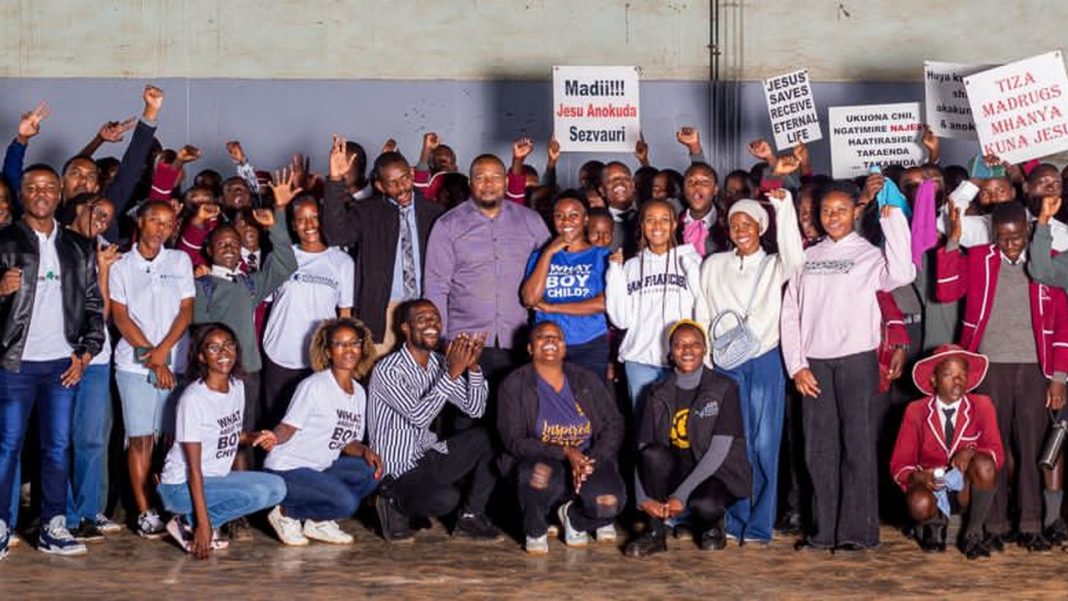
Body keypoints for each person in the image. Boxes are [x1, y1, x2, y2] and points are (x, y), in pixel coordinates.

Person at [781, 180, 915, 551]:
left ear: (856, 211)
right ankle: (823, 531)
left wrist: (892, 221)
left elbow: (903, 273)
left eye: (842, 210)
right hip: (815, 366)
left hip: (858, 360)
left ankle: (858, 532)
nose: (833, 217)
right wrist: (797, 366)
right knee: (818, 449)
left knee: (856, 446)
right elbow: (789, 313)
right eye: (827, 211)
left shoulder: (870, 256)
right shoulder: (805, 257)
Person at [939, 200, 1068, 551]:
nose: (1011, 244)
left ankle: (1030, 525)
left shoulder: (1049, 262)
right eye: (1003, 238)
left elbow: (1061, 325)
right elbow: (946, 290)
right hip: (988, 366)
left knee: (1031, 448)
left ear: (1028, 230)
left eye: (1017, 237)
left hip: (1033, 368)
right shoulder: (980, 258)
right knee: (992, 449)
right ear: (994, 233)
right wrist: (952, 241)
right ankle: (992, 526)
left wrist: (1058, 376)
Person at [0, 164, 105, 559]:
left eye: (48, 187)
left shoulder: (78, 247)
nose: (41, 193)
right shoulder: (4, 240)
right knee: (7, 446)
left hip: (63, 363)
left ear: (59, 195)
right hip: (15, 364)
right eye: (33, 187)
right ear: (22, 195)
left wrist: (85, 353)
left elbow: (95, 307)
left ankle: (53, 526)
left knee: (57, 447)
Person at [695, 189, 805, 544]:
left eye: (749, 223)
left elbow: (796, 255)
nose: (741, 229)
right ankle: (733, 518)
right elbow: (704, 311)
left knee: (764, 443)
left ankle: (759, 526)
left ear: (761, 227)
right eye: (735, 223)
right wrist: (708, 360)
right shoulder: (713, 265)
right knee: (730, 443)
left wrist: (784, 207)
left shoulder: (775, 264)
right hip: (725, 364)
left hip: (764, 360)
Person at [367, 299, 499, 542]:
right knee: (445, 499)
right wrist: (452, 373)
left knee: (488, 438)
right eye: (423, 318)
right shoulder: (388, 369)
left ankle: (470, 517)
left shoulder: (439, 363)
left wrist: (473, 368)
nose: (432, 324)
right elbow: (419, 417)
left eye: (436, 318)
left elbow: (475, 409)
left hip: (428, 454)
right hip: (398, 467)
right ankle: (392, 500)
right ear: (405, 328)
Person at [424, 153, 550, 397]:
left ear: (506, 182)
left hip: (520, 338)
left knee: (515, 417)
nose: (488, 184)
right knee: (465, 422)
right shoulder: (447, 225)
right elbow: (436, 286)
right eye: (481, 178)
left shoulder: (531, 222)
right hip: (465, 342)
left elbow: (551, 277)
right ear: (470, 183)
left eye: (495, 177)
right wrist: (441, 341)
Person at [157, 323, 285, 559]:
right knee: (255, 494)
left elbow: (226, 434)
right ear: (201, 356)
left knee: (277, 487)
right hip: (181, 487)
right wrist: (204, 525)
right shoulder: (193, 399)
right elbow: (193, 470)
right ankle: (190, 523)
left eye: (228, 345)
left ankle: (190, 521)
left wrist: (254, 436)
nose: (223, 353)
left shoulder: (237, 386)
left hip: (215, 478)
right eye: (213, 348)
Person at [497, 321, 625, 554]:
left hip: (588, 459)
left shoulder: (585, 378)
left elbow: (613, 424)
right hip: (543, 460)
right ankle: (536, 529)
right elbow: (513, 441)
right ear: (529, 348)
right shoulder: (515, 384)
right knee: (537, 475)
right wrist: (565, 452)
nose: (550, 342)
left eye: (557, 338)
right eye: (542, 337)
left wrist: (592, 460)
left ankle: (573, 517)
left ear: (565, 348)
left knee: (610, 504)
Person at [625, 321, 750, 557]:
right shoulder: (655, 392)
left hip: (715, 474)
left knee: (706, 504)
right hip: (676, 470)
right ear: (671, 352)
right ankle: (655, 533)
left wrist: (680, 496)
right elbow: (642, 450)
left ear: (705, 349)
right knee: (652, 454)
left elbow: (718, 450)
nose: (687, 350)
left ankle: (711, 525)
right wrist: (644, 500)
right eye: (680, 345)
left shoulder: (725, 388)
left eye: (694, 344)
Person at [109, 200, 195, 538]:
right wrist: (151, 356)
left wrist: (162, 354)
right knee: (141, 441)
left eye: (168, 223)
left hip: (174, 361)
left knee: (173, 440)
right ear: (140, 222)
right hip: (133, 366)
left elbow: (186, 311)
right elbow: (120, 315)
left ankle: (174, 507)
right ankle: (145, 512)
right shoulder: (122, 265)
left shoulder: (179, 260)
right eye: (154, 221)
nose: (161, 228)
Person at [193, 176, 299, 439]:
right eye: (222, 244)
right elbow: (199, 332)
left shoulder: (249, 284)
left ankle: (246, 479)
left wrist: (277, 221)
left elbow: (286, 265)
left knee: (246, 435)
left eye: (234, 244)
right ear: (209, 249)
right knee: (214, 435)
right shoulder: (202, 284)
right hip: (214, 372)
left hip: (248, 370)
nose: (229, 248)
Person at [322, 136, 444, 357]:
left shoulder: (435, 213)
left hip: (426, 307)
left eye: (405, 178)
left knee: (425, 375)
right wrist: (335, 179)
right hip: (382, 309)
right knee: (378, 374)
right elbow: (335, 235)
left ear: (412, 175)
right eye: (392, 182)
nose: (402, 187)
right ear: (379, 186)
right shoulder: (366, 212)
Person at [265, 318, 382, 546]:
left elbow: (349, 442)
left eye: (354, 343)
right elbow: (288, 426)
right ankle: (285, 513)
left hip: (318, 468)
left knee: (369, 472)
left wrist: (366, 450)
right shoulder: (314, 386)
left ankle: (318, 521)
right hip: (288, 468)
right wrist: (273, 437)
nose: (348, 350)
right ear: (328, 351)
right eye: (340, 344)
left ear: (362, 347)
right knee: (346, 503)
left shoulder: (358, 392)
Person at [889, 345, 1003, 559]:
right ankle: (933, 525)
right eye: (949, 375)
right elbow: (899, 464)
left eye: (962, 375)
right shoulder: (916, 410)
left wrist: (971, 452)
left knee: (985, 465)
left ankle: (973, 534)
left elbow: (997, 452)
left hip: (964, 488)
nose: (957, 381)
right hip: (931, 485)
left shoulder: (982, 405)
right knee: (919, 501)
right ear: (934, 380)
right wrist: (918, 476)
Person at [261, 194, 354, 427]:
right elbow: (264, 301)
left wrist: (342, 357)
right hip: (279, 354)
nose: (309, 225)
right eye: (301, 219)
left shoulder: (341, 262)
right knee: (277, 422)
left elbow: (345, 315)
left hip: (319, 358)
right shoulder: (279, 256)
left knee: (313, 424)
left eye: (315, 218)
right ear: (293, 225)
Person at [605, 199, 702, 414]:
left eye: (664, 220)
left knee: (682, 430)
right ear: (641, 225)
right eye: (650, 220)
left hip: (682, 361)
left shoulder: (689, 259)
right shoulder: (630, 265)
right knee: (646, 432)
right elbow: (621, 320)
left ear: (674, 224)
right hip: (640, 361)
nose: (657, 226)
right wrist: (615, 273)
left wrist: (690, 264)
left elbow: (702, 306)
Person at [63, 194, 122, 540]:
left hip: (96, 360)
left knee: (91, 439)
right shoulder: (56, 241)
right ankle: (63, 515)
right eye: (97, 212)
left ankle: (87, 513)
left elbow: (102, 314)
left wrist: (103, 270)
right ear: (78, 209)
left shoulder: (105, 250)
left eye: (108, 216)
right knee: (59, 440)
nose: (102, 220)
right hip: (62, 356)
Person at [521, 191, 612, 381]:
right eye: (559, 216)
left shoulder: (601, 255)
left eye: (574, 215)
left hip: (590, 344)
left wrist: (552, 307)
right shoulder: (540, 255)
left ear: (586, 219)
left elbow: (605, 303)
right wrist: (549, 252)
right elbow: (529, 298)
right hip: (548, 345)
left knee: (591, 406)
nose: (566, 221)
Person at [599, 162, 640, 258]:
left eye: (625, 178)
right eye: (611, 179)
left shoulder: (646, 217)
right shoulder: (596, 223)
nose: (618, 182)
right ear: (602, 190)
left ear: (633, 185)